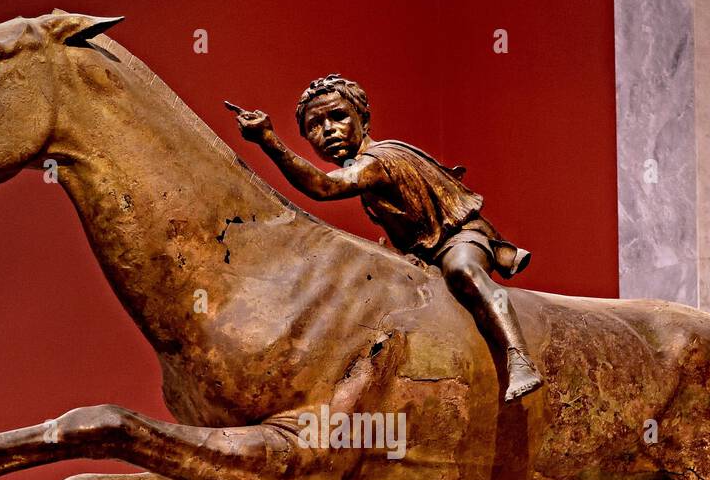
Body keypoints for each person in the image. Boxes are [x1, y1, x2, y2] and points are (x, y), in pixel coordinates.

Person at [229, 74, 544, 402]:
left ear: (362, 118)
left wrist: (269, 140)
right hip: (421, 253)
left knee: (463, 271)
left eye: (338, 116)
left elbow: (324, 187)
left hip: (457, 239)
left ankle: (519, 358)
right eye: (315, 125)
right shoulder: (364, 169)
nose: (328, 131)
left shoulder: (379, 160)